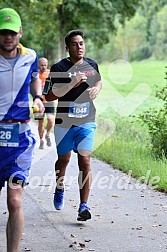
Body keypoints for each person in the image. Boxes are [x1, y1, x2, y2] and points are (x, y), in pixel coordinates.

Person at [45, 29, 102, 221]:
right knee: (63, 160)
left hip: (87, 120)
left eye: (82, 43)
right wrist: (71, 84)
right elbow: (49, 96)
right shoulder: (58, 68)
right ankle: (59, 187)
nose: (79, 47)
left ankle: (83, 206)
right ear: (67, 47)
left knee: (84, 160)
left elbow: (99, 80)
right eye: (75, 44)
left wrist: (96, 88)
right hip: (64, 122)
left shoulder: (91, 64)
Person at [0, 7, 44, 252]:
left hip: (20, 139)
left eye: (13, 33)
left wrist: (37, 96)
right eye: (4, 32)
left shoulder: (30, 56)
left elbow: (35, 76)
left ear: (20, 33)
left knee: (15, 200)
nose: (8, 37)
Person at [38, 57, 55, 149]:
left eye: (45, 65)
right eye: (42, 65)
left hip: (49, 101)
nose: (43, 67)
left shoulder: (50, 73)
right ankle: (41, 140)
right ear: (38, 65)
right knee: (40, 123)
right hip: (38, 102)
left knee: (51, 120)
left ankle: (47, 134)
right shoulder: (35, 75)